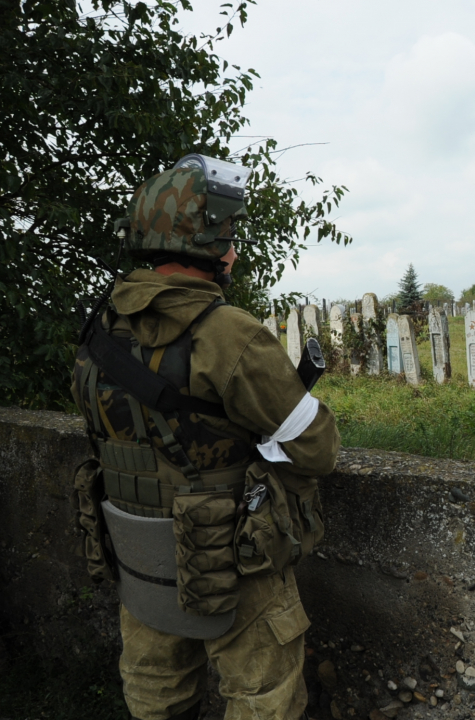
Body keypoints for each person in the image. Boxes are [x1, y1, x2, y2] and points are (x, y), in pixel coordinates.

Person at [70, 154, 339, 720]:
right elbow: (316, 448)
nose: (234, 251)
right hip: (231, 563)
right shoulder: (227, 333)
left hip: (140, 559)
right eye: (229, 237)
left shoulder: (98, 330)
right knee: (263, 699)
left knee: (154, 695)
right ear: (203, 245)